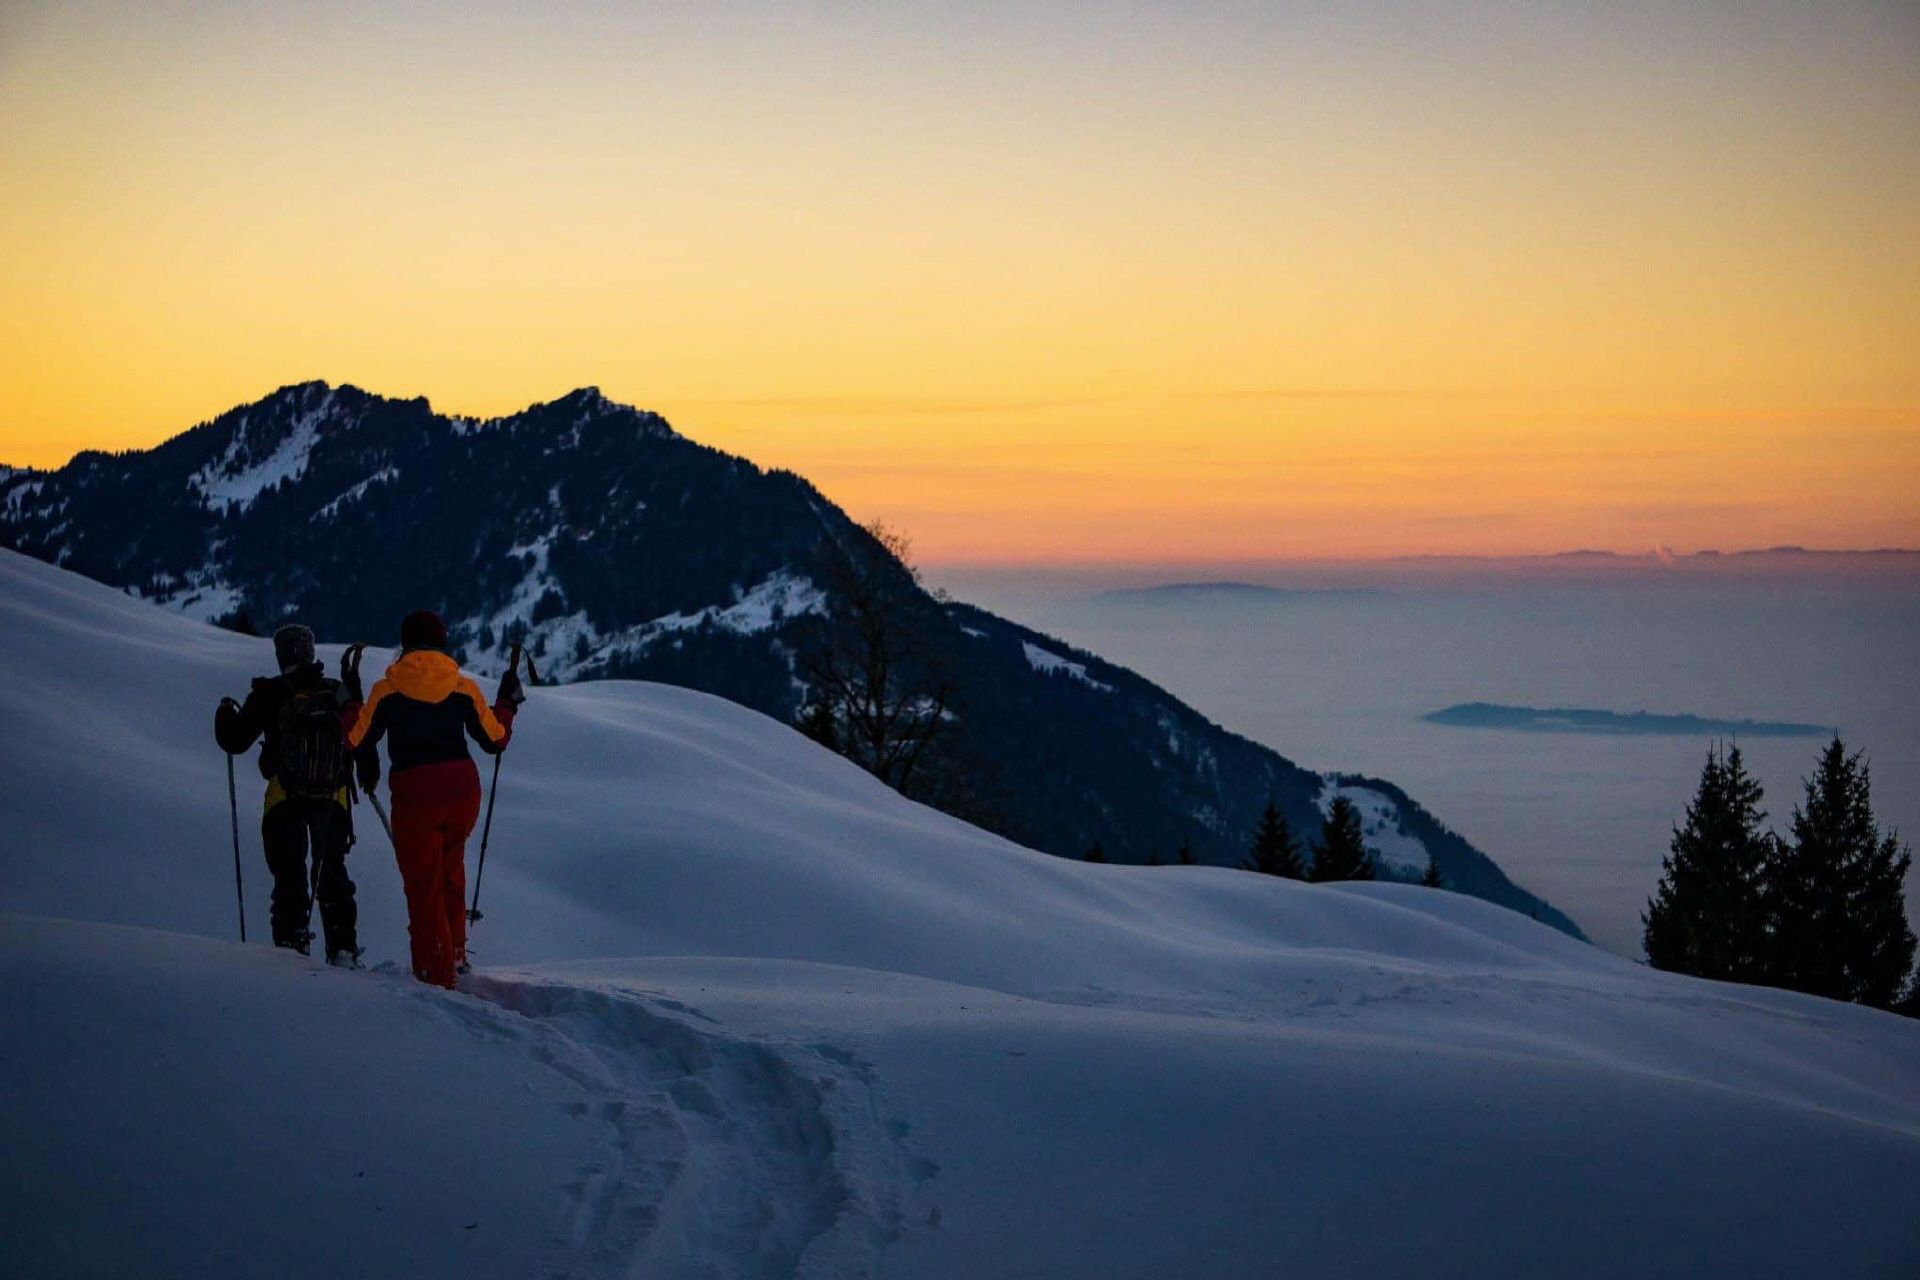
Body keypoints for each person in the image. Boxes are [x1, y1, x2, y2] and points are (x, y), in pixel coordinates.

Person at [345, 610, 524, 988]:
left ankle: (435, 976)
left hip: (415, 794)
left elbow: (354, 739)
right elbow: (496, 740)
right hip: (463, 790)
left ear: (406, 644)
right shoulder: (462, 687)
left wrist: (348, 704)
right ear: (441, 642)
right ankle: (456, 955)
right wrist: (506, 704)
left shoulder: (387, 690)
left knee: (423, 885)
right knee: (450, 869)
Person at [214, 623, 362, 965]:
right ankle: (342, 947)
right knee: (332, 870)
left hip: (284, 796)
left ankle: (291, 947)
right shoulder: (334, 691)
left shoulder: (268, 693)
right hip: (332, 797)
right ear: (310, 652)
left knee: (289, 874)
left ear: (280, 656)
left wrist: (224, 715)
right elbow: (359, 735)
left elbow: (234, 741)